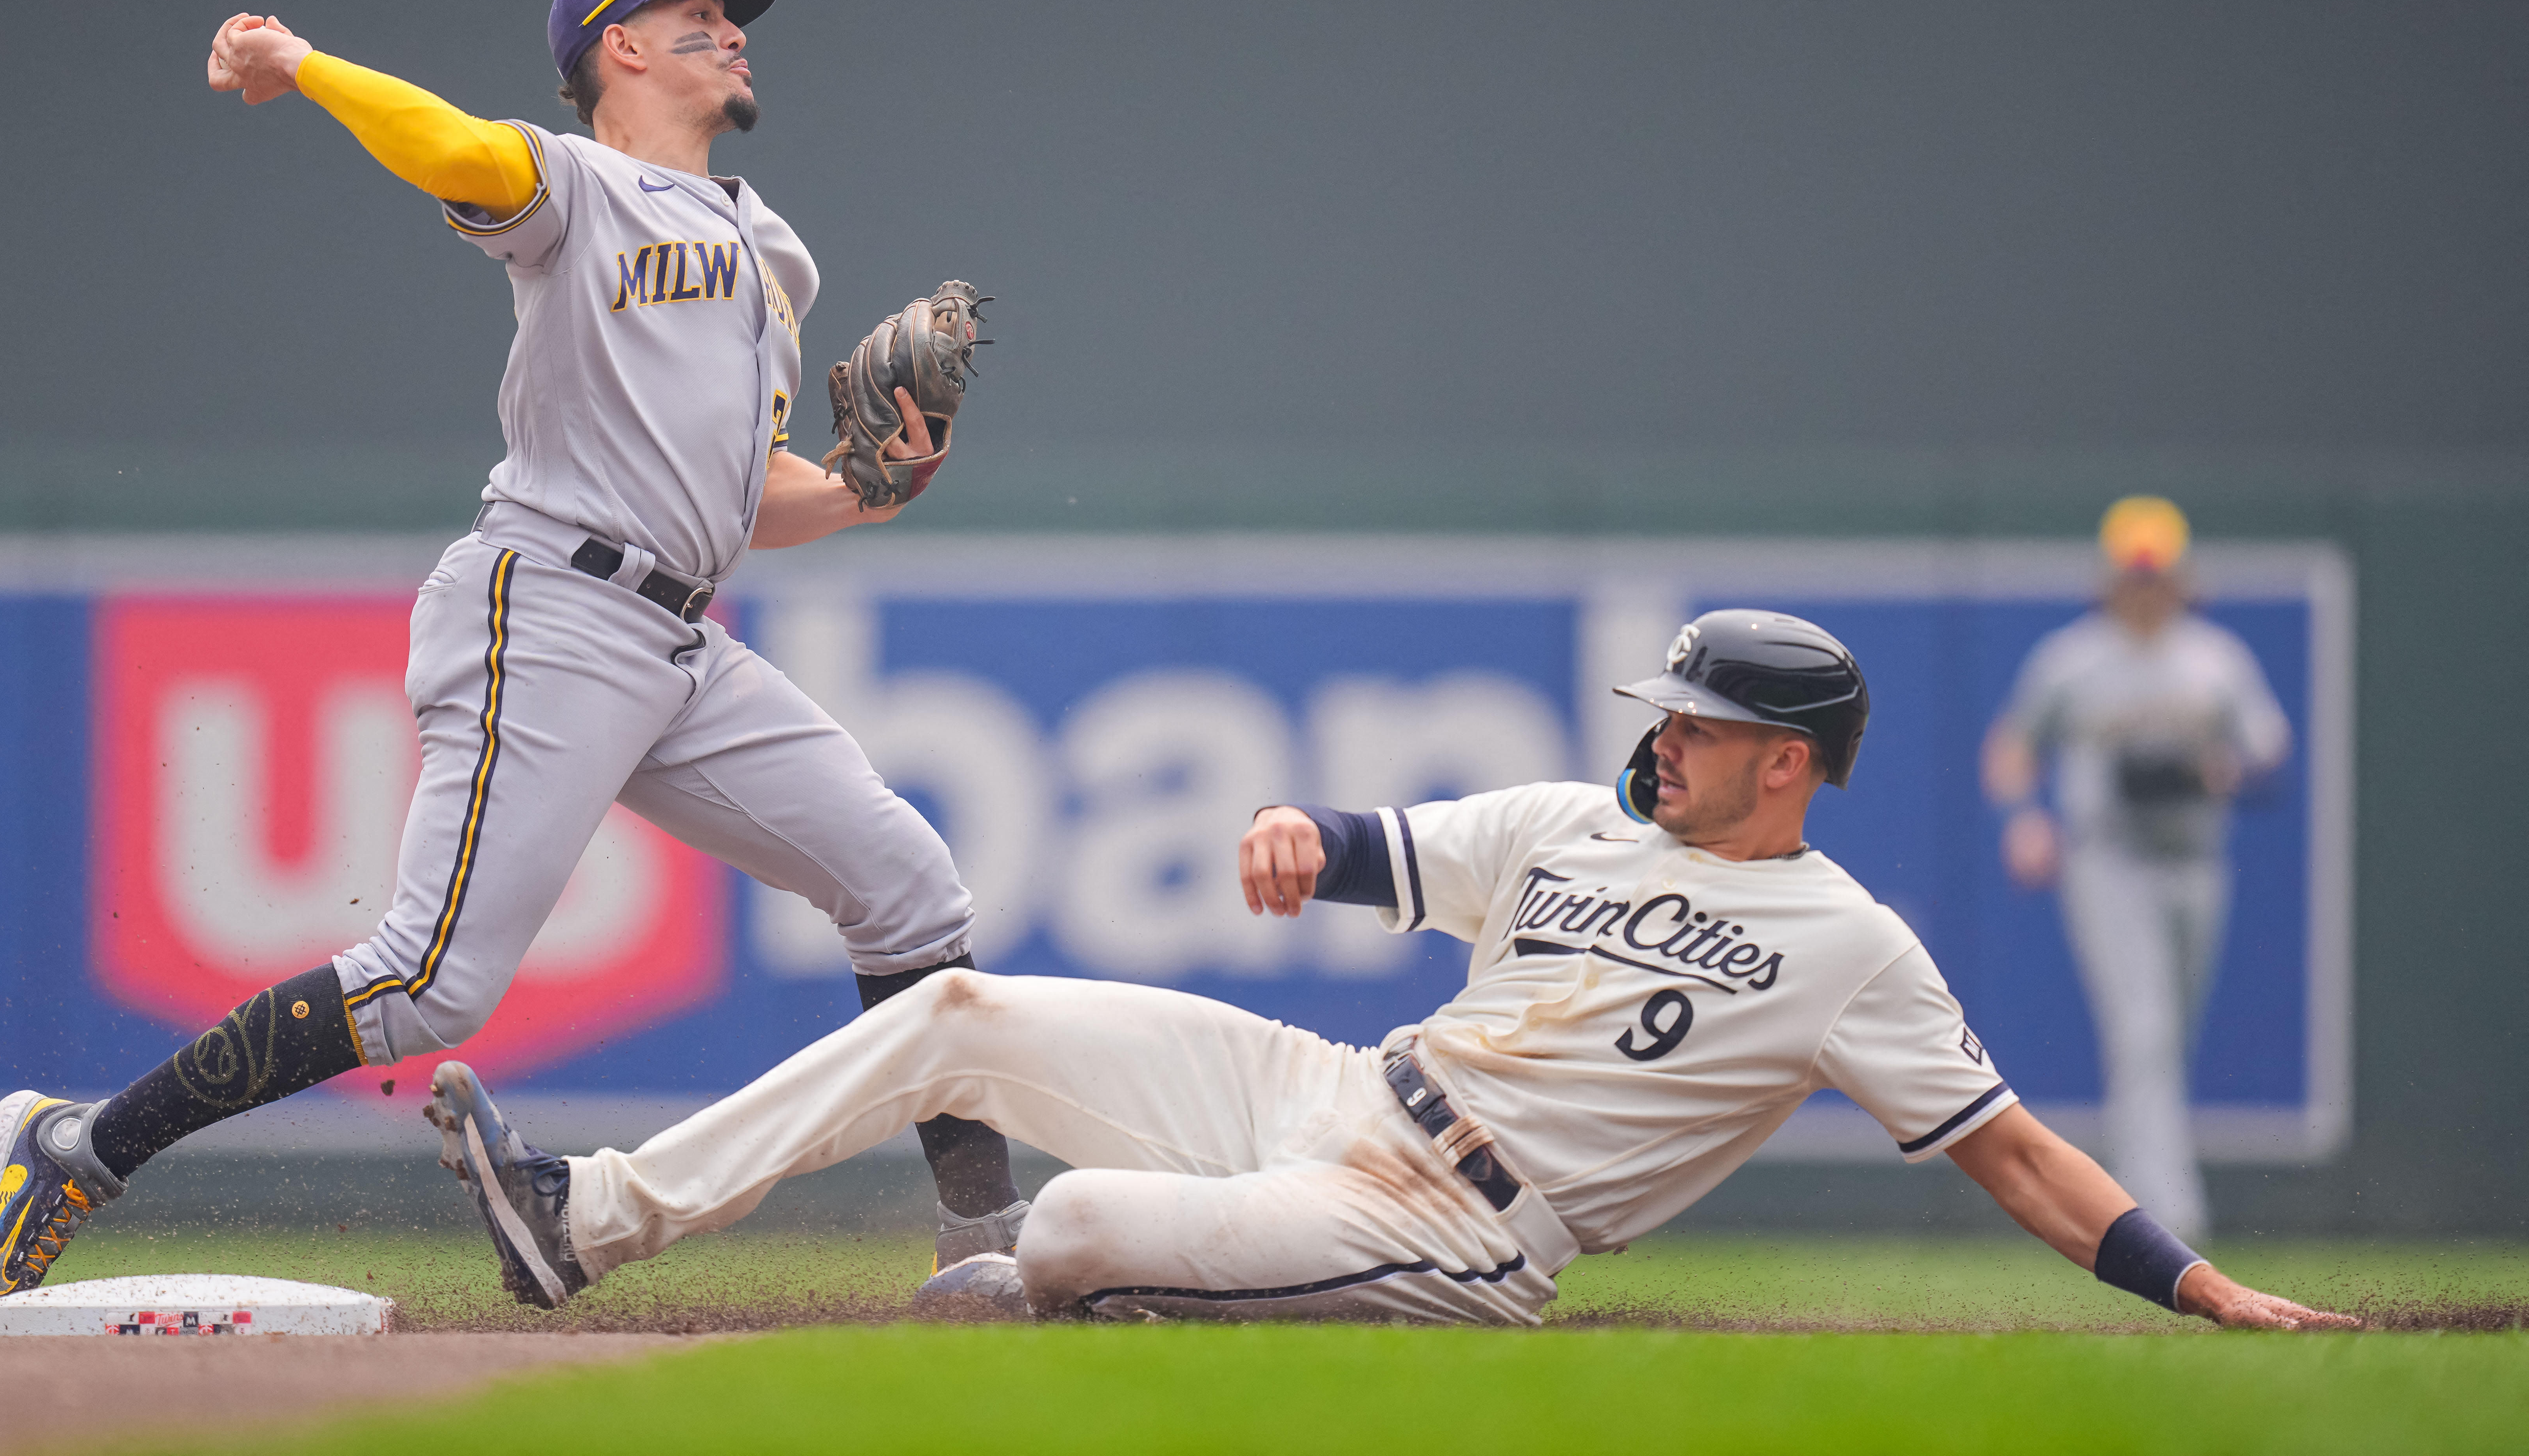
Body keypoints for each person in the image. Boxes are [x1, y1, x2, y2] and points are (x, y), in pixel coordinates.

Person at [0, 0, 1025, 1320]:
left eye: (730, 14)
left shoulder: (772, 253)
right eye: (694, 14)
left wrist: (871, 492)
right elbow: (459, 150)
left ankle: (984, 1240)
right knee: (426, 984)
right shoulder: (571, 184)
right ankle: (74, 1147)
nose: (730, 31)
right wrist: (303, 66)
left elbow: (744, 493)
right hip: (554, 604)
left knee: (908, 887)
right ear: (617, 48)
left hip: (679, 640)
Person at [418, 611, 2352, 1329]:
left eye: (1693, 725)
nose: (1659, 739)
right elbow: (1365, 853)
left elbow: (2008, 1146)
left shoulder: (1850, 947)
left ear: (1791, 763)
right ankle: (584, 1224)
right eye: (1662, 714)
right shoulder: (1583, 826)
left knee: (1076, 1226)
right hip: (1336, 1095)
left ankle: (1095, 1291)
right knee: (954, 1016)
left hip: (1469, 1231)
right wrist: (1292, 842)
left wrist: (2204, 1289)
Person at [1980, 497, 2291, 1240]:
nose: (2146, 586)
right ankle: (2167, 1213)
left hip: (2195, 861)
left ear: (2184, 577)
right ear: (2111, 576)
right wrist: (2024, 821)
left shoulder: (2215, 659)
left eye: (2158, 573)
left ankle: (2121, 1193)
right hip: (2107, 857)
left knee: (2165, 1037)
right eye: (2134, 573)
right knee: (2143, 1032)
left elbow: (2268, 752)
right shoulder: (2073, 658)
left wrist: (2223, 769)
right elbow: (2011, 747)